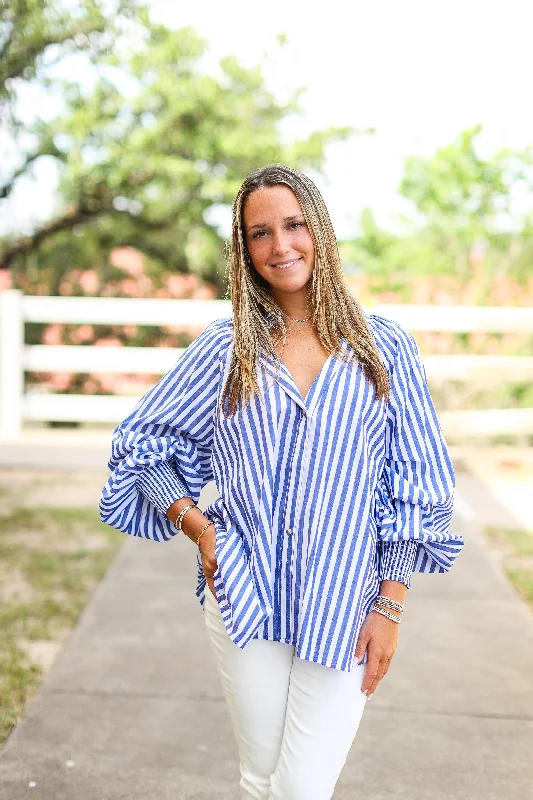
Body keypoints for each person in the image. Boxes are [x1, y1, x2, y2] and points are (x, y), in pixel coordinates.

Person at [99, 163, 465, 800]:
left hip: (344, 602)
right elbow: (143, 444)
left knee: (300, 788)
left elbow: (416, 482)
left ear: (319, 231)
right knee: (259, 779)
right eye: (259, 233)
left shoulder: (383, 350)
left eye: (293, 225)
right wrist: (201, 528)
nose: (280, 246)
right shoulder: (226, 349)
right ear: (243, 249)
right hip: (244, 589)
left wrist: (391, 604)